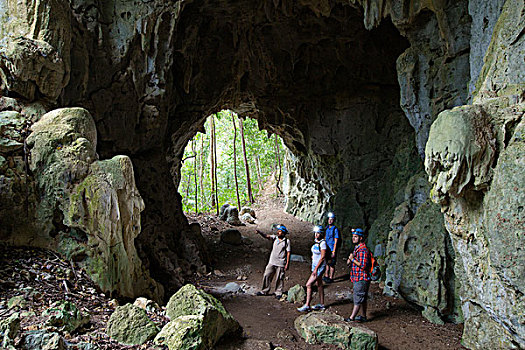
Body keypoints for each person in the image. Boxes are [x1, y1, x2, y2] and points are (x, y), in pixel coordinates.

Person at [256, 224, 291, 298]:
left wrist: (287, 263)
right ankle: (264, 290)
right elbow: (266, 236)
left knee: (279, 278)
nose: (278, 232)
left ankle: (278, 292)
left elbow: (288, 253)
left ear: (283, 233)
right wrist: (260, 232)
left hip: (281, 263)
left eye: (280, 231)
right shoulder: (275, 238)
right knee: (267, 275)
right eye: (278, 231)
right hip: (272, 261)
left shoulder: (286, 241)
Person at [297, 225, 327, 312]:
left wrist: (316, 269)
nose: (316, 235)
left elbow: (323, 256)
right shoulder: (316, 242)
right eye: (315, 233)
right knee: (319, 284)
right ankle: (322, 304)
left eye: (318, 233)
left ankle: (307, 305)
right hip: (315, 266)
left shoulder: (323, 243)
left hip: (319, 267)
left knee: (308, 284)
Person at [345, 228, 371, 322]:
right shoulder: (357, 248)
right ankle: (363, 316)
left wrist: (352, 259)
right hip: (357, 276)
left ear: (360, 238)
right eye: (353, 236)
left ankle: (351, 317)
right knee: (362, 298)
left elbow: (363, 265)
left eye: (355, 237)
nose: (353, 238)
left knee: (358, 297)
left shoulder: (363, 250)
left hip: (361, 277)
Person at [323, 212, 340, 284]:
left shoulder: (335, 229)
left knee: (332, 264)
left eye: (331, 219)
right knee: (327, 263)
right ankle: (326, 275)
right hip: (327, 248)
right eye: (329, 219)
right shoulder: (327, 228)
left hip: (332, 248)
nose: (330, 221)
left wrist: (334, 251)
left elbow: (336, 240)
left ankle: (331, 277)